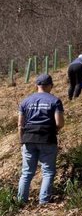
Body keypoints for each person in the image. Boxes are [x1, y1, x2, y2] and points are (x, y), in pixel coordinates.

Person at [17, 74, 64, 204]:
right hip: (47, 138)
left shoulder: (25, 101)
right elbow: (59, 123)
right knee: (48, 171)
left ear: (37, 85)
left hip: (28, 138)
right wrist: (53, 131)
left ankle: (21, 201)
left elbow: (20, 124)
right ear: (50, 86)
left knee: (26, 172)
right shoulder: (55, 101)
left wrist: (22, 141)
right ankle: (44, 201)